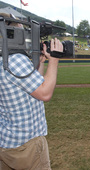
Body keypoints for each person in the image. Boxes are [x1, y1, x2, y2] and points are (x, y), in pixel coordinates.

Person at [0, 13, 62, 170]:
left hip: (7, 141)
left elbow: (32, 86)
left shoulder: (5, 59)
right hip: (26, 143)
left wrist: (40, 63)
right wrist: (54, 60)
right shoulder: (15, 60)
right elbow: (44, 93)